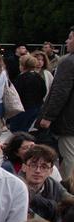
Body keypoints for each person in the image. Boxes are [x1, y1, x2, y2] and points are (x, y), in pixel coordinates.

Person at [38, 28, 74, 181]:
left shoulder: (68, 62)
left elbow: (60, 92)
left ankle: (68, 189)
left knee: (69, 158)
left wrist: (48, 116)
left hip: (68, 121)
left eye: (70, 38)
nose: (67, 41)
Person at [20, 144, 74, 222]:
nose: (38, 171)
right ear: (24, 167)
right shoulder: (15, 186)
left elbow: (69, 199)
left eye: (44, 167)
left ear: (51, 171)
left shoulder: (53, 185)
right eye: (33, 165)